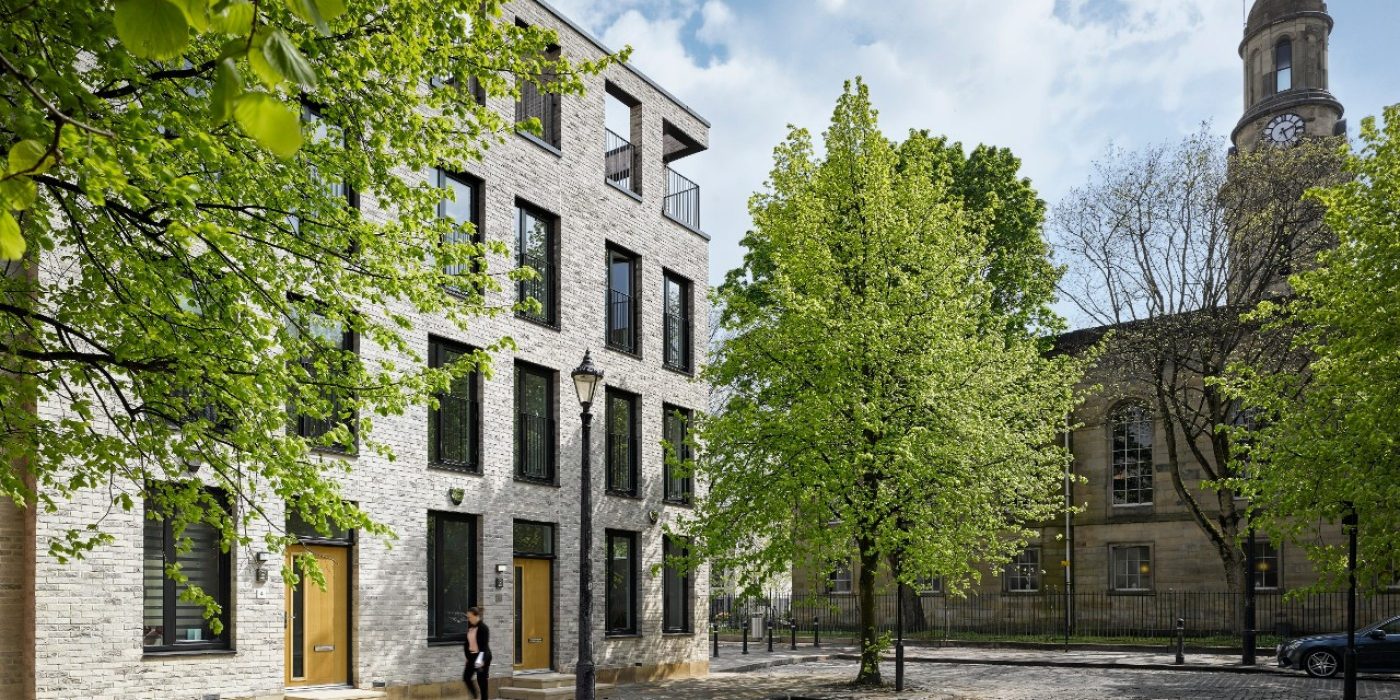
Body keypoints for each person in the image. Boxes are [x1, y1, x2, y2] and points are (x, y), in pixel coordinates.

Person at [463, 607, 492, 699]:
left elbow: (484, 646)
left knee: (482, 681)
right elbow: (467, 643)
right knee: (466, 677)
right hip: (472, 656)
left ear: (476, 616)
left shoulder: (484, 628)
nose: (468, 619)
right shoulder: (470, 627)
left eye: (470, 617)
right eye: (468, 617)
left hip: (482, 656)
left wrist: (481, 660)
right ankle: (475, 695)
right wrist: (467, 657)